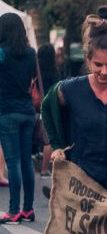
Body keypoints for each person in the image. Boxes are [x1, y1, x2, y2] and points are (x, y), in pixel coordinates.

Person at [42, 15, 107, 193]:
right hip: (80, 181)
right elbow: (46, 107)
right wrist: (57, 145)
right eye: (98, 64)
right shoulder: (70, 89)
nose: (104, 71)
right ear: (88, 60)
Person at [0, 13, 37, 224]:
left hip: (7, 112)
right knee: (26, 163)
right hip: (27, 112)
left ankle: (13, 210)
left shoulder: (2, 54)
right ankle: (28, 209)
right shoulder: (31, 53)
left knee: (12, 163)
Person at [37, 43, 60, 177]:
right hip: (49, 107)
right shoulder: (55, 72)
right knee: (48, 141)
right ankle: (44, 170)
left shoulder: (36, 71)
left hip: (35, 106)